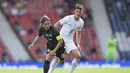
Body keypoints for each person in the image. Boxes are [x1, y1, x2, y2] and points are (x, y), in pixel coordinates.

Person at [54, 4, 84, 73]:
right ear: (75, 11)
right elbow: (56, 24)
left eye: (80, 11)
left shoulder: (81, 22)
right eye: (77, 11)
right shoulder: (68, 18)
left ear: (82, 12)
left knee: (78, 56)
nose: (78, 13)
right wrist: (58, 38)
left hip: (69, 41)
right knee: (56, 59)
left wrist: (78, 44)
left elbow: (79, 33)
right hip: (60, 38)